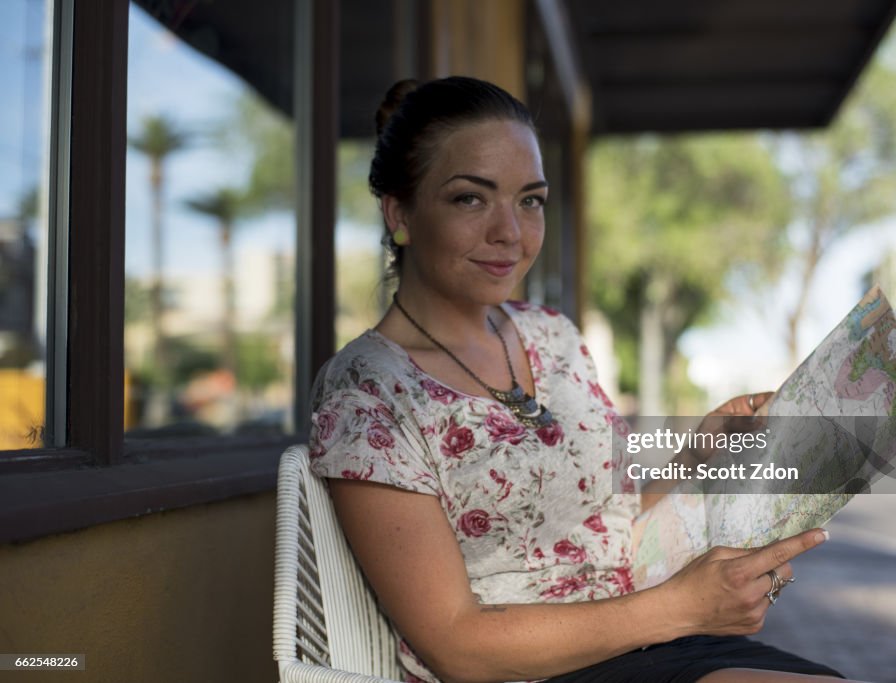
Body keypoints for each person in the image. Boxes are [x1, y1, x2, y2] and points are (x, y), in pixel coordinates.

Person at [309, 76, 855, 683]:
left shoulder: (552, 336)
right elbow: (457, 646)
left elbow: (606, 515)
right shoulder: (368, 392)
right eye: (470, 198)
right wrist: (684, 606)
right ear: (400, 213)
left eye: (530, 200)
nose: (510, 233)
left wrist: (700, 456)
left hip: (652, 640)